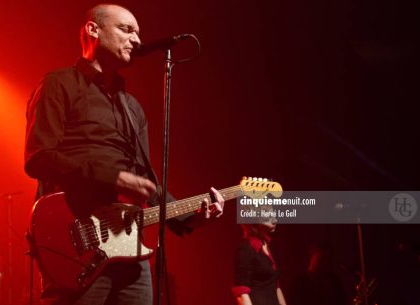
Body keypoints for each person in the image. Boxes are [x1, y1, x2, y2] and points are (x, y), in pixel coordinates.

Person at [24, 3, 224, 305]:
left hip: (130, 249)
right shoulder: (59, 84)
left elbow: (145, 182)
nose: (137, 40)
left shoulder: (133, 109)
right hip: (76, 240)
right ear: (93, 29)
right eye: (126, 29)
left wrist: (191, 217)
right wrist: (114, 178)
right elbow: (38, 157)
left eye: (138, 34)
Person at [232, 220, 287, 305]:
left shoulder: (266, 245)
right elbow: (241, 293)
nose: (274, 219)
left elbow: (276, 286)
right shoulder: (246, 248)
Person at [288, 241, 346, 305]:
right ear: (311, 255)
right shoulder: (299, 282)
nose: (325, 264)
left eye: (328, 260)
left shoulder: (334, 280)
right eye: (321, 259)